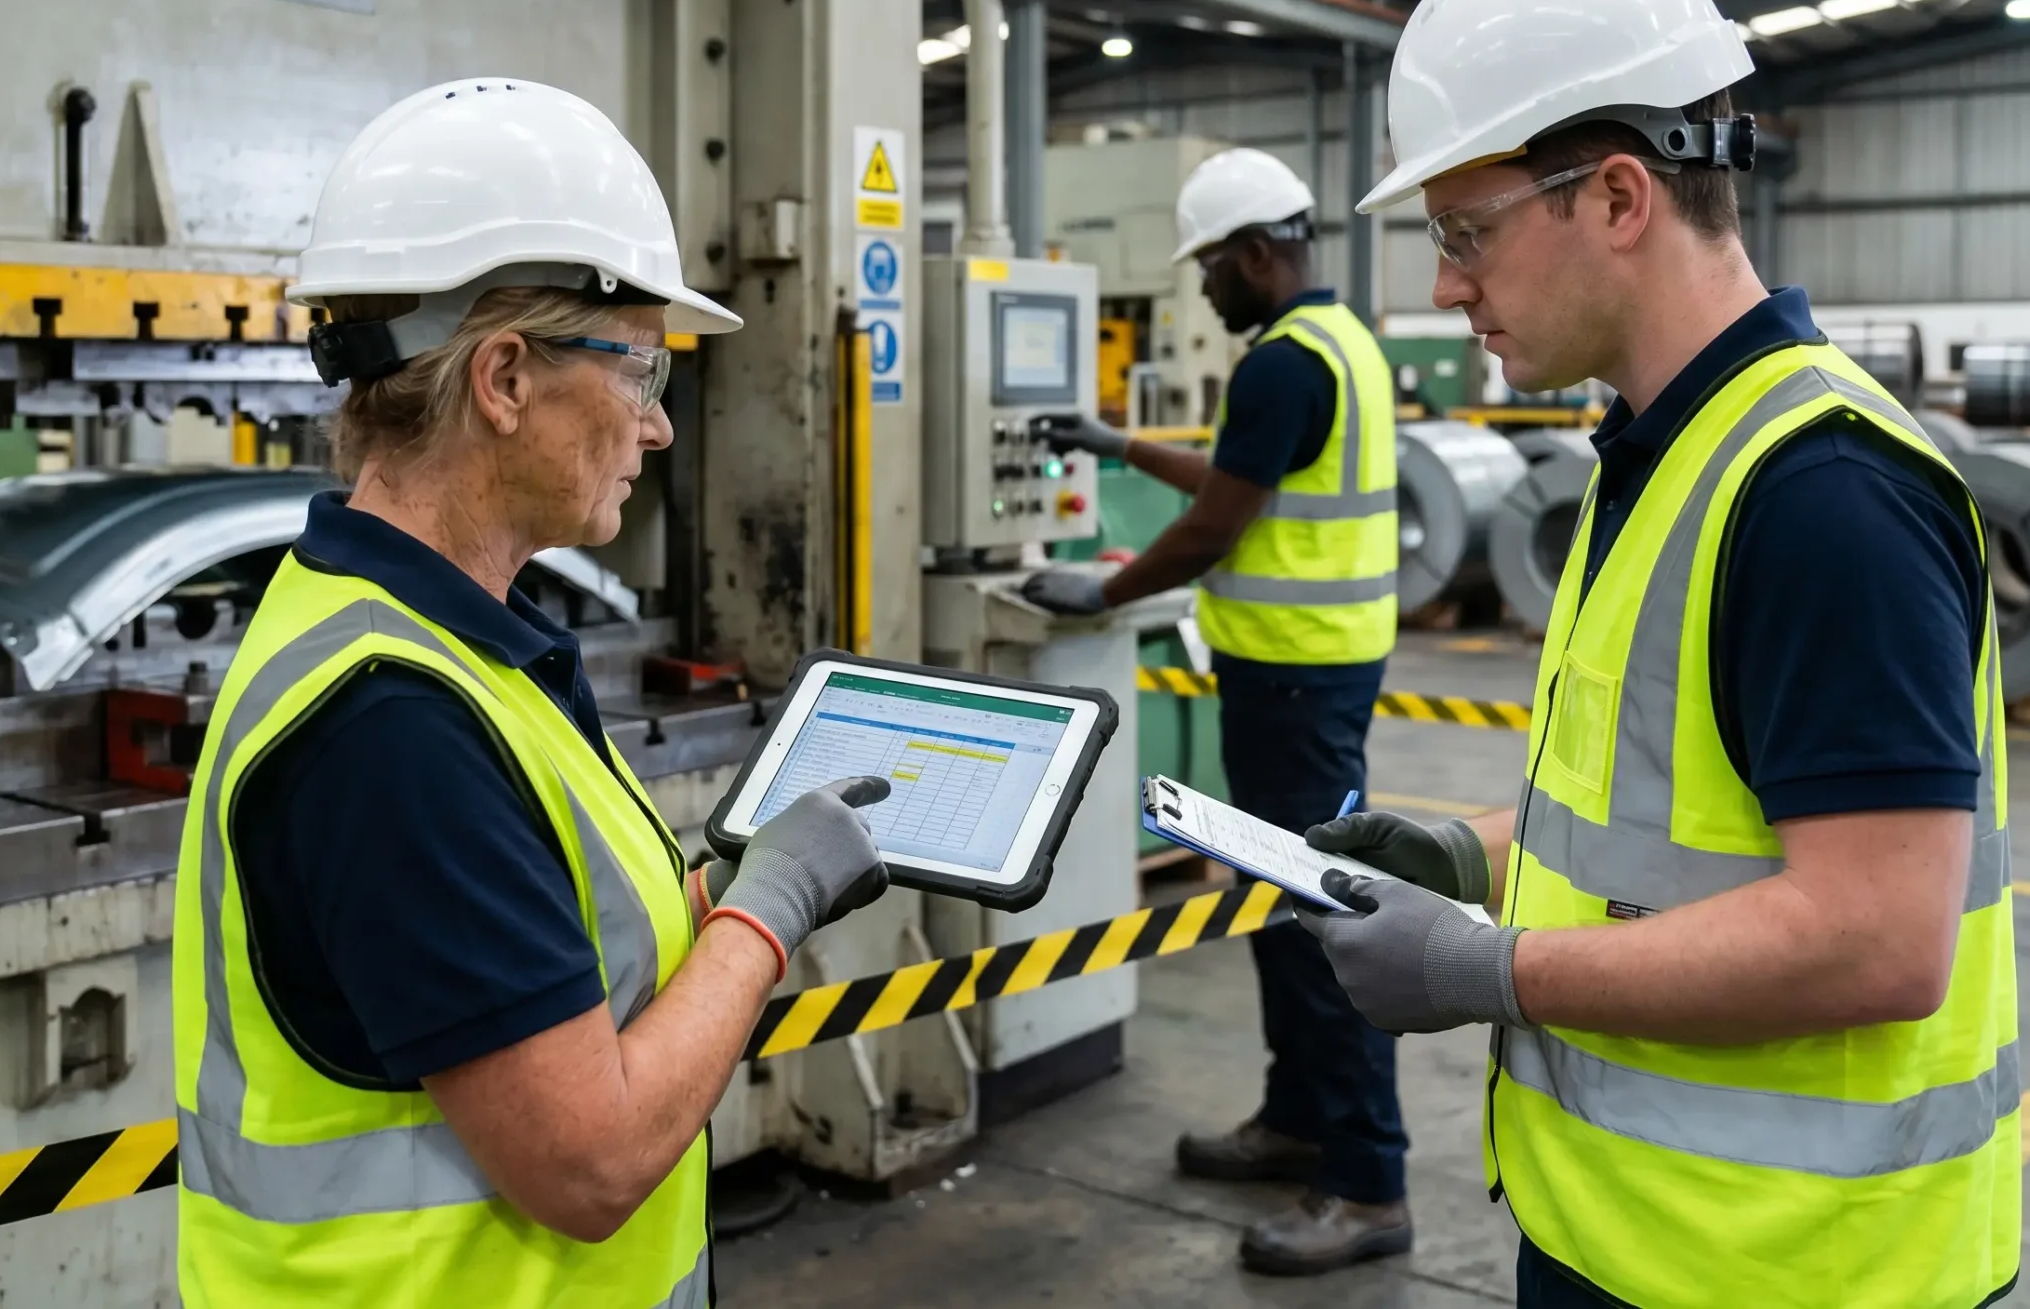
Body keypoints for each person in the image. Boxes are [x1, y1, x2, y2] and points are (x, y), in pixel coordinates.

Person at [1293, 0, 2020, 1309]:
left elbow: (1880, 934)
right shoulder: (1662, 456)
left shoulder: (1823, 496)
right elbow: (1667, 839)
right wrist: (1469, 852)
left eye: (1466, 232)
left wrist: (1487, 970)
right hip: (1628, 1243)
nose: (1447, 285)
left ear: (1618, 198)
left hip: (1796, 1276)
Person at [171, 78, 892, 1308]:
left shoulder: (440, 640)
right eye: (643, 374)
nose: (656, 429)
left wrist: (717, 892)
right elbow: (591, 1158)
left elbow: (547, 962)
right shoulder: (391, 726)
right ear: (504, 379)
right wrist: (767, 917)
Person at [1021, 147, 1410, 1275]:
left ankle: (1368, 1179)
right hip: (1306, 673)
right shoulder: (1339, 343)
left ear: (1254, 254)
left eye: (1207, 268)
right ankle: (1298, 1118)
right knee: (1281, 909)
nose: (1200, 290)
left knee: (1322, 917)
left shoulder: (1283, 362)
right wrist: (1115, 444)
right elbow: (1240, 478)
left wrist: (1101, 588)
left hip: (1294, 682)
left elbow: (1216, 525)